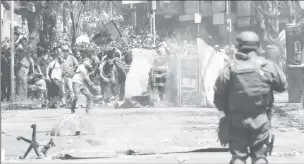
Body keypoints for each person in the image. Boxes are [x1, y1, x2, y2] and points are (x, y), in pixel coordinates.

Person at [214, 31, 287, 164]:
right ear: (258, 46)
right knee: (260, 157)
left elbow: (218, 96)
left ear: (238, 46)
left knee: (238, 158)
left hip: (236, 120)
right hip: (261, 118)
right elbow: (282, 86)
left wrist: (227, 112)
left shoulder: (230, 68)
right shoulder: (267, 66)